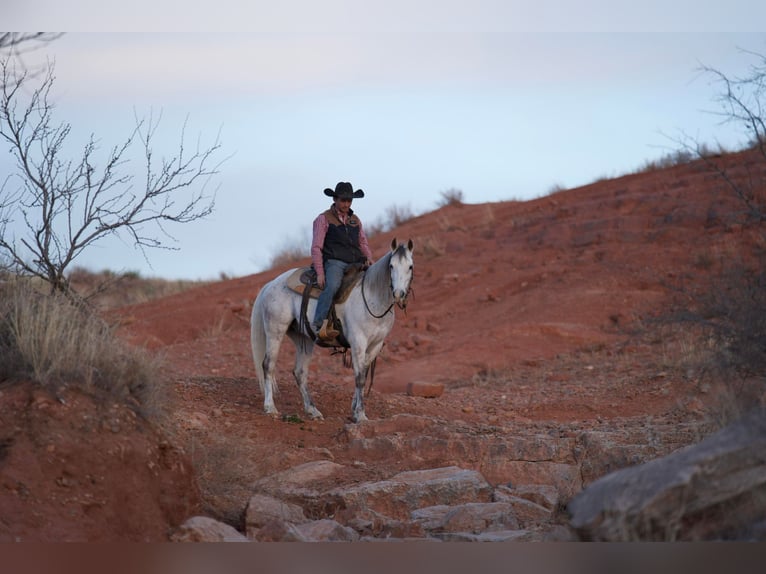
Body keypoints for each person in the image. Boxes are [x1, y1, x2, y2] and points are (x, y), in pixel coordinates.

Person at [311, 181, 374, 340]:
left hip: (356, 262)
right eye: (343, 200)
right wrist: (320, 272)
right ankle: (319, 324)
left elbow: (362, 243)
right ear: (335, 199)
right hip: (334, 262)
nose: (346, 204)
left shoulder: (355, 220)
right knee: (332, 286)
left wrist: (369, 258)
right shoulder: (323, 219)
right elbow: (316, 247)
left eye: (349, 200)